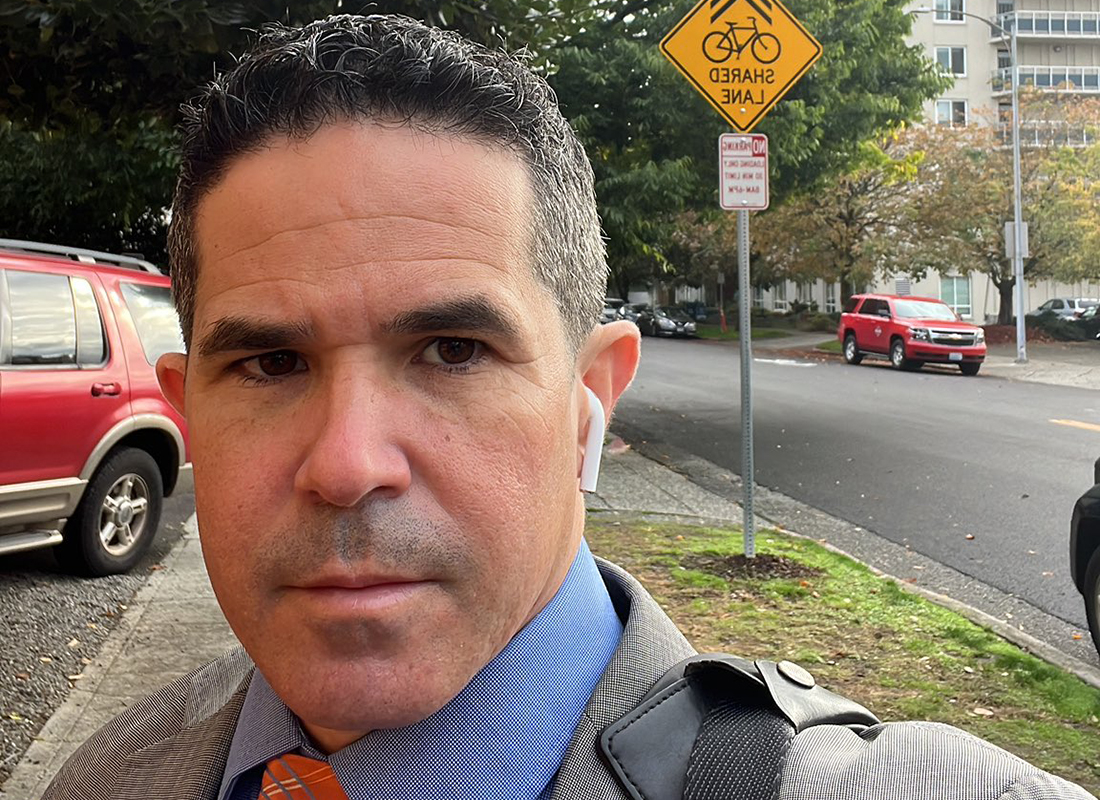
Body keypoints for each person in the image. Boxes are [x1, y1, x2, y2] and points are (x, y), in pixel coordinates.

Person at [44, 13, 1093, 800]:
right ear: (186, 418)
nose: (346, 462)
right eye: (269, 363)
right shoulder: (106, 773)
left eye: (451, 349)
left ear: (588, 397)